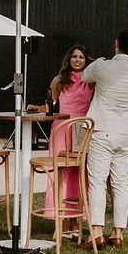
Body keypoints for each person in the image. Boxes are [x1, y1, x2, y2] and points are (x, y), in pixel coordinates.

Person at [83, 30, 128, 248]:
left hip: (103, 128)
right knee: (121, 182)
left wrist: (100, 63)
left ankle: (96, 232)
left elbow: (85, 77)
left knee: (97, 181)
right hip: (127, 131)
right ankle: (118, 232)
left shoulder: (102, 66)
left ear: (115, 44)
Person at [42, 44, 95, 223]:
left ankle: (76, 217)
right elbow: (51, 107)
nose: (77, 60)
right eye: (74, 56)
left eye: (81, 57)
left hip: (81, 130)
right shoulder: (58, 80)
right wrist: (37, 108)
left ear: (86, 60)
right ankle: (60, 218)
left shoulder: (91, 81)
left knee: (80, 171)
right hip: (61, 129)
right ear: (68, 59)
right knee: (60, 171)